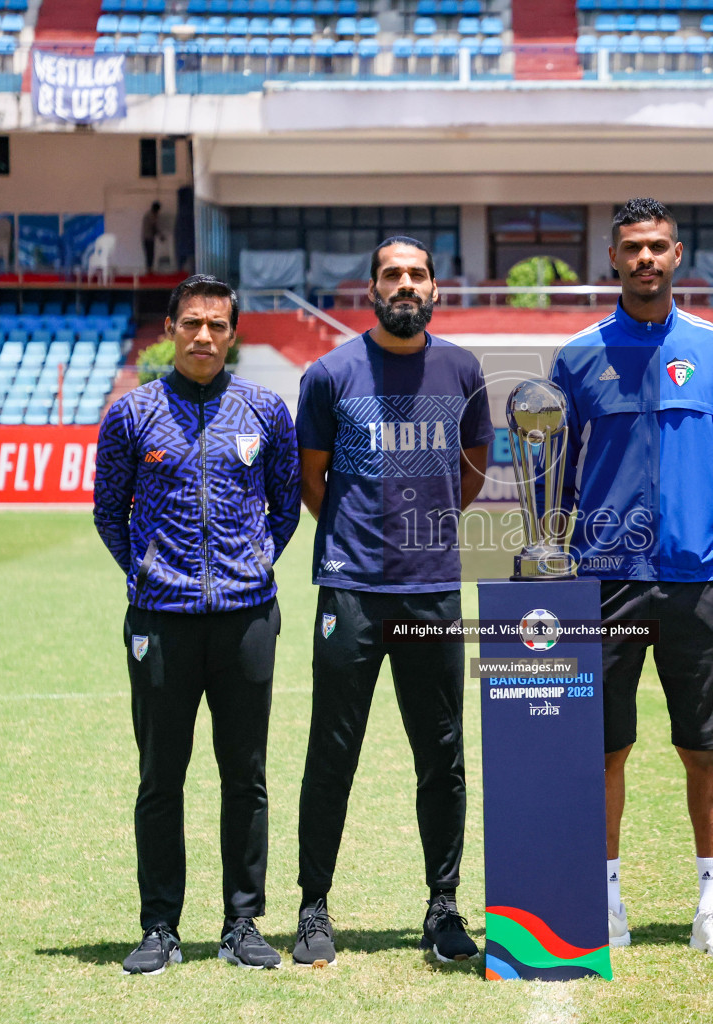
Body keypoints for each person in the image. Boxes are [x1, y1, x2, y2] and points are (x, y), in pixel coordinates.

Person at [548, 198, 713, 961]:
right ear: (613, 260)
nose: (646, 259)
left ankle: (712, 905)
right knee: (603, 752)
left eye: (657, 246)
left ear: (678, 253)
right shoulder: (578, 356)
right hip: (604, 582)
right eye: (632, 248)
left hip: (695, 582)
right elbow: (551, 475)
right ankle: (605, 898)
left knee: (702, 748)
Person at [291, 236, 492, 967]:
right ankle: (313, 906)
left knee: (442, 755)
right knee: (331, 753)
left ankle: (443, 906)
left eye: (417, 274)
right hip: (350, 589)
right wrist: (358, 542)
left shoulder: (463, 370)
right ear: (370, 288)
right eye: (391, 274)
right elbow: (311, 480)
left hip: (433, 590)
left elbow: (472, 474)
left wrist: (423, 538)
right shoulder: (330, 374)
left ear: (435, 289)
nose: (404, 284)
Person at [93, 274, 302, 975]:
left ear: (233, 332)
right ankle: (160, 926)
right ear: (171, 330)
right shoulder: (132, 414)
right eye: (191, 324)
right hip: (161, 621)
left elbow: (286, 506)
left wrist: (253, 563)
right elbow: (108, 512)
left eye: (216, 325)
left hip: (247, 618)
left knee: (245, 775)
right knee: (161, 776)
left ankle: (243, 923)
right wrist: (151, 573)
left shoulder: (266, 410)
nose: (204, 336)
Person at [142, 202, 162, 275]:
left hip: (147, 237)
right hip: (148, 238)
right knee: (150, 254)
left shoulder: (149, 214)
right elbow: (154, 227)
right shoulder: (151, 215)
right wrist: (160, 236)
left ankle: (150, 269)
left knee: (149, 254)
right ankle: (149, 270)